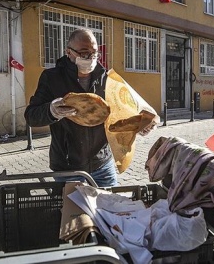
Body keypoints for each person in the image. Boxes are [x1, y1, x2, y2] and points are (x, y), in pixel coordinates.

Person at [25, 28, 153, 187]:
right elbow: (31, 116)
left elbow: (118, 116)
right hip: (68, 168)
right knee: (76, 211)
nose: (90, 58)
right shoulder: (52, 78)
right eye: (84, 53)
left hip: (102, 164)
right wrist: (51, 110)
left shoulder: (107, 79)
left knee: (109, 209)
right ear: (69, 52)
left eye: (95, 53)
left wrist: (136, 126)